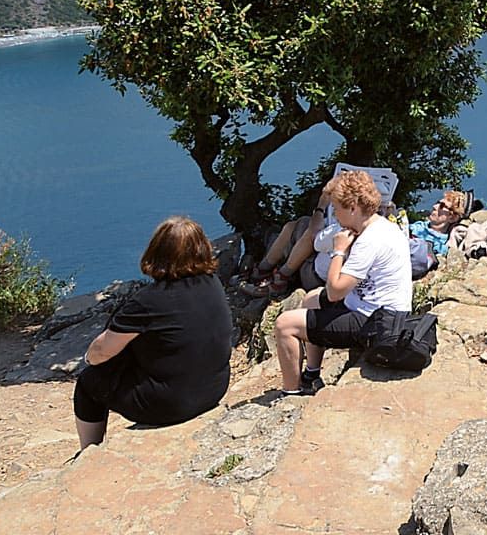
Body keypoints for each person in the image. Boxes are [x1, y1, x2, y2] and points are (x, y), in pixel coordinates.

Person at [73, 216, 232, 448]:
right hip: (214, 389)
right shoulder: (213, 284)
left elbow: (102, 351)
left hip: (170, 404)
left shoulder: (147, 301)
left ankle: (88, 453)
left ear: (156, 252)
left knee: (89, 382)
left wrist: (89, 359)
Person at [271, 167, 412, 395]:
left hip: (377, 323)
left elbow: (336, 291)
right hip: (379, 310)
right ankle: (312, 375)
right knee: (311, 299)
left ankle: (291, 392)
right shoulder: (383, 226)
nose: (335, 216)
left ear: (353, 208)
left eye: (336, 209)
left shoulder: (370, 239)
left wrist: (339, 251)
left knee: (285, 324)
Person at [238, 182, 334, 297]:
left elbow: (313, 235)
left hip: (313, 276)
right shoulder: (349, 225)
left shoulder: (340, 230)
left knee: (307, 228)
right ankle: (262, 270)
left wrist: (321, 206)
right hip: (316, 265)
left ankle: (279, 280)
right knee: (295, 225)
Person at [409, 190, 469, 277]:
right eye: (437, 203)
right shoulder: (417, 226)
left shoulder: (440, 247)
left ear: (452, 217)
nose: (434, 206)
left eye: (442, 206)